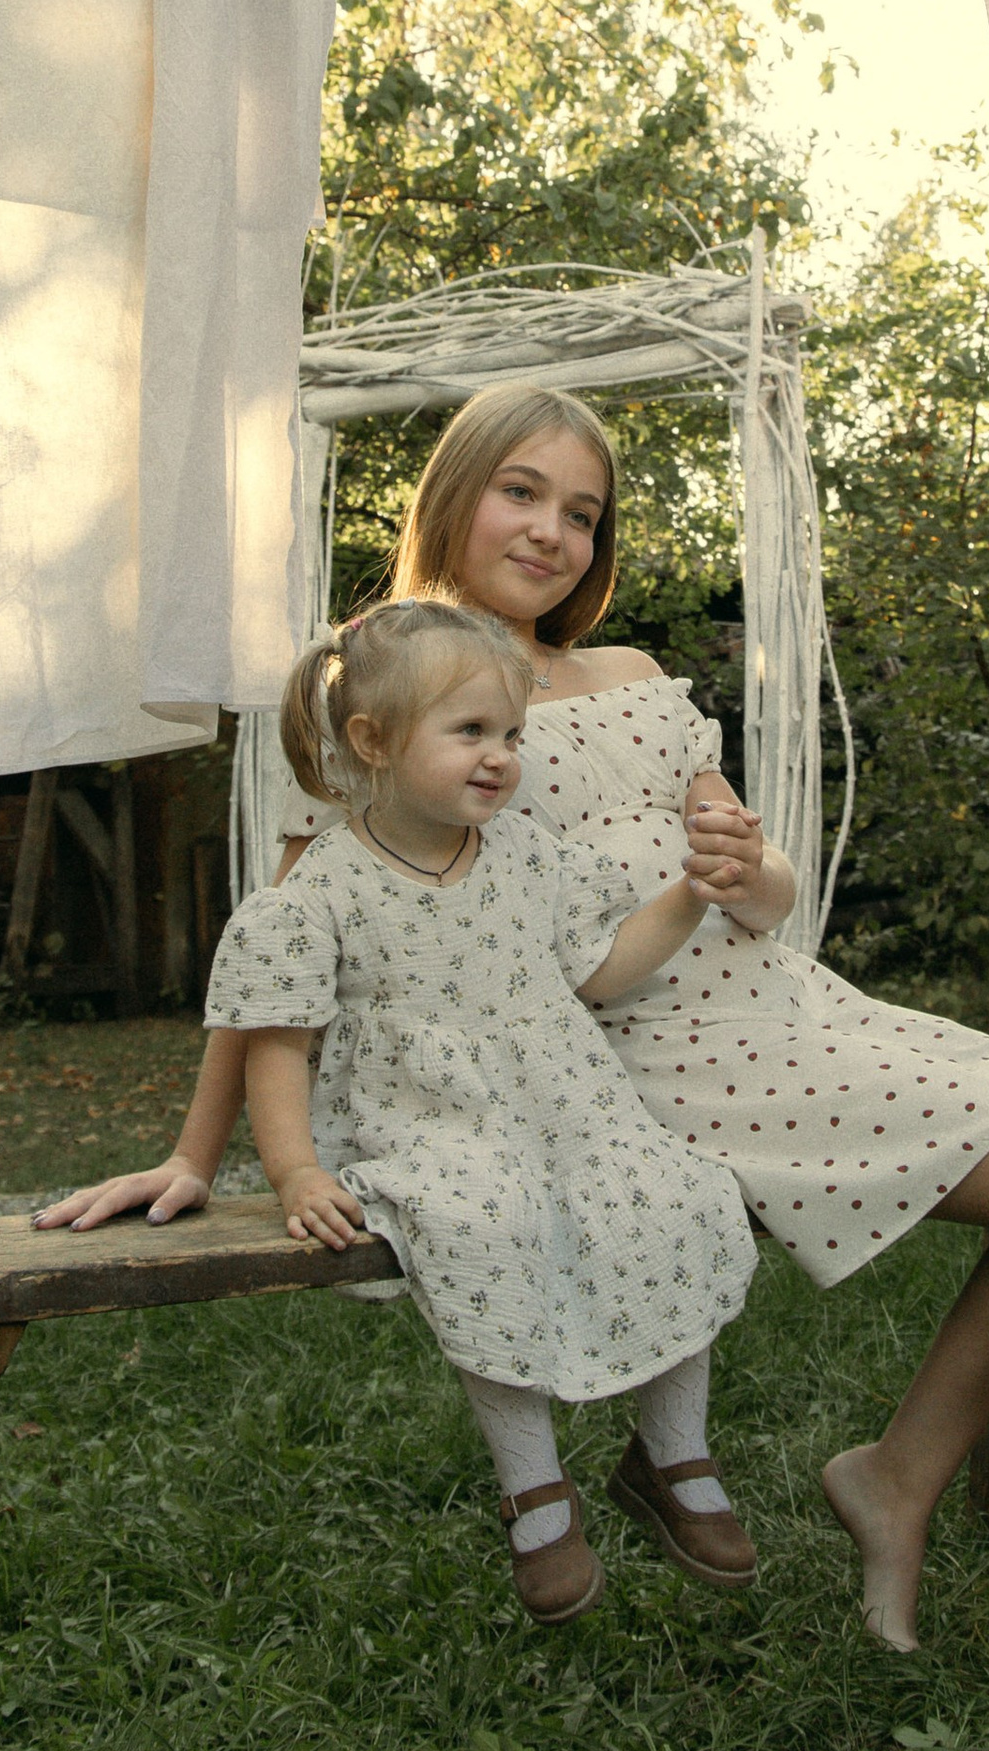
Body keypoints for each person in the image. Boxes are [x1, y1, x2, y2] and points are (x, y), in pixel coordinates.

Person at [44, 380, 989, 1723]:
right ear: (457, 494)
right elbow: (287, 945)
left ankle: (898, 1478)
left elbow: (762, 893)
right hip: (623, 1067)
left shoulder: (635, 672)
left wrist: (741, 865)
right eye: (521, 494)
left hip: (777, 1006)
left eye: (584, 512)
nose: (551, 531)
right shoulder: (390, 675)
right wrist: (191, 1150)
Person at [193, 596, 760, 1624]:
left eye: (510, 734)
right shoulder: (324, 887)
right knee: (479, 1223)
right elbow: (275, 1047)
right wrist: (296, 1172)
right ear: (372, 740)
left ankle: (673, 1453)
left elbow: (599, 969)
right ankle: (534, 1489)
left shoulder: (527, 857)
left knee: (673, 1189)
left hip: (565, 1106)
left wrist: (687, 897)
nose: (500, 757)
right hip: (425, 1125)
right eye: (470, 733)